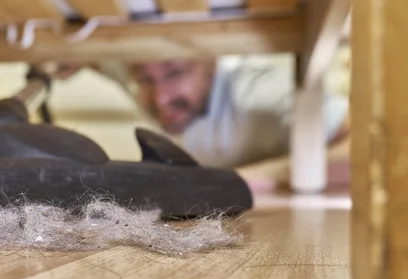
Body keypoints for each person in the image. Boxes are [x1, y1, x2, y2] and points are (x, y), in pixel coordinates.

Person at [54, 56, 350, 192]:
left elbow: (371, 146)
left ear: (212, 62)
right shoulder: (137, 71)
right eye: (144, 79)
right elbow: (98, 58)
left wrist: (238, 181)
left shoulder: (258, 92)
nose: (160, 99)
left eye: (174, 73)